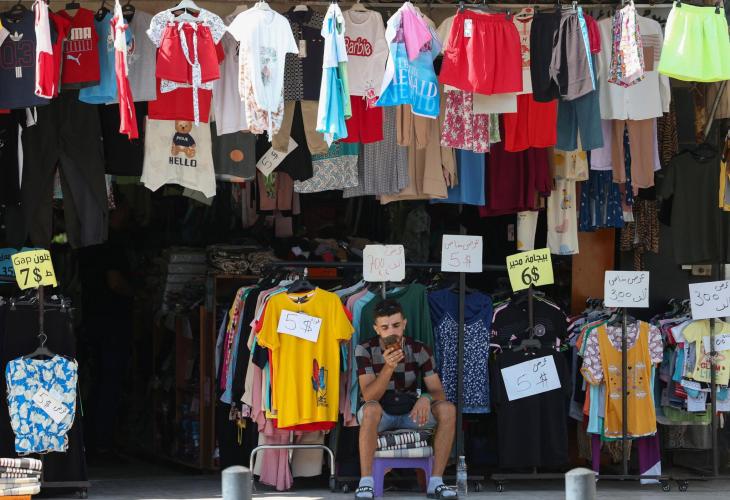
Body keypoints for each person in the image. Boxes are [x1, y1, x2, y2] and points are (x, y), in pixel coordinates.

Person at [354, 299, 457, 499]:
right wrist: (388, 367)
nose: (391, 331)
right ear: (376, 329)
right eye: (385, 327)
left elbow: (438, 392)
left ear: (404, 324)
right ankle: (366, 482)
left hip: (411, 412)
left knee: (447, 409)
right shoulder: (365, 349)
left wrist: (425, 398)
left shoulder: (419, 349)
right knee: (371, 409)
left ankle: (436, 482)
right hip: (379, 414)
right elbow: (369, 396)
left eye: (396, 325)